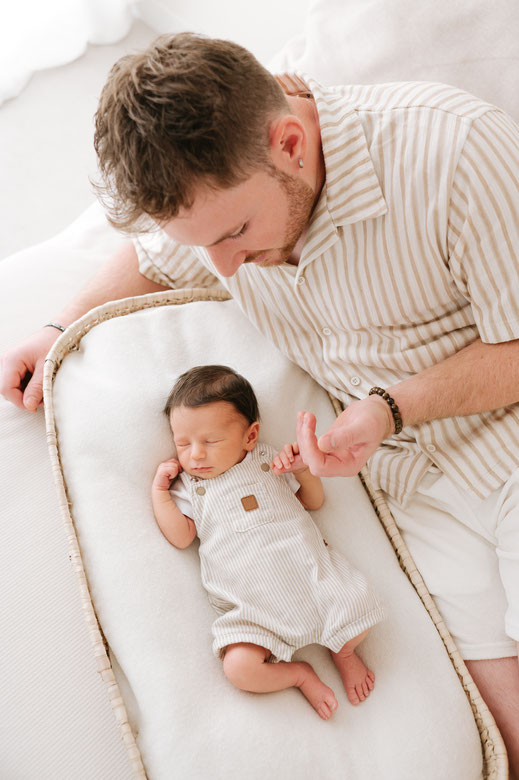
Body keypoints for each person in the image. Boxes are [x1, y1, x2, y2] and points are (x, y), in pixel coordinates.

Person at [1, 32, 519, 770]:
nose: (223, 267)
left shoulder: (453, 149)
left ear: (288, 142)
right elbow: (156, 258)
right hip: (416, 491)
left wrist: (390, 407)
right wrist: (56, 331)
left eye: (237, 233)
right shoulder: (221, 215)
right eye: (202, 243)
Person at [152, 364, 383, 719]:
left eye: (209, 441)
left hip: (311, 579)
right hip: (255, 610)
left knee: (359, 612)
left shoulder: (270, 463)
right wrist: (160, 493)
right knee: (239, 669)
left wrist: (303, 471)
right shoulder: (191, 487)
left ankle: (345, 652)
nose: (194, 454)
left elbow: (313, 502)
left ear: (250, 436)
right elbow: (182, 537)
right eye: (183, 443)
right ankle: (298, 675)